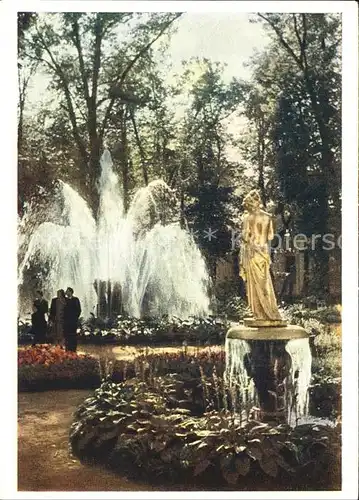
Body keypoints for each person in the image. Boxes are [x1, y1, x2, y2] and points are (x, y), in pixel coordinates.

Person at [239, 189, 282, 323]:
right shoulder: (268, 217)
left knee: (254, 283)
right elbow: (270, 236)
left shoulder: (248, 218)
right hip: (263, 251)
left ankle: (259, 313)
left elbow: (245, 236)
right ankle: (270, 310)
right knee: (265, 282)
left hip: (252, 251)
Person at [64, 287, 81, 352]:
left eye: (67, 291)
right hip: (66, 321)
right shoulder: (65, 300)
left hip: (73, 321)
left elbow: (79, 310)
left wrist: (75, 318)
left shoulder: (75, 299)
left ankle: (73, 348)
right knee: (67, 334)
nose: (66, 292)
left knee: (73, 334)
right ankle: (67, 348)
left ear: (70, 292)